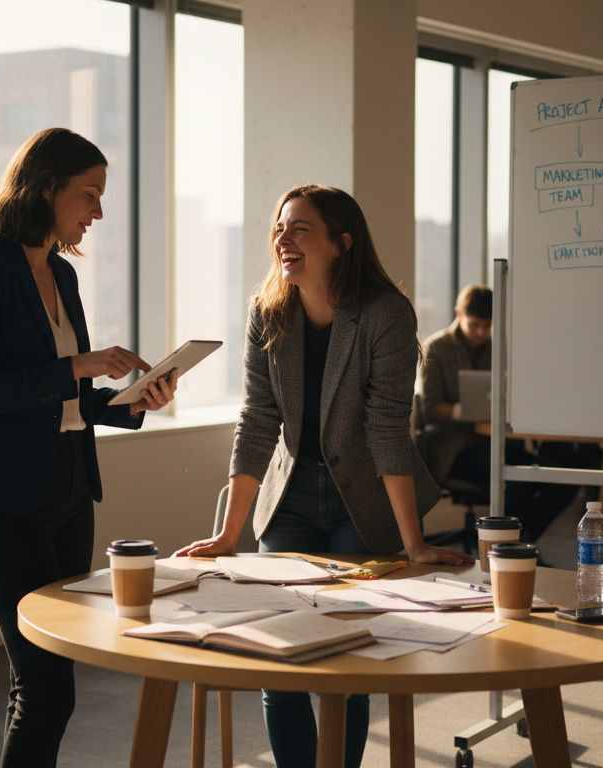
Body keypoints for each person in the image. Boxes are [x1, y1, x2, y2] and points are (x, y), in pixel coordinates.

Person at [176, 184, 471, 768]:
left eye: (300, 229)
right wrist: (230, 535)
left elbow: (389, 429)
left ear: (342, 243)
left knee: (348, 664)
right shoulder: (268, 312)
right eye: (280, 229)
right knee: (281, 658)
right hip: (289, 499)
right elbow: (257, 424)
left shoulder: (385, 314)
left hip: (362, 499)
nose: (283, 240)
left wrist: (414, 543)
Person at [0, 127, 177, 767]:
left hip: (69, 485)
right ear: (47, 188)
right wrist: (78, 366)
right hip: (5, 497)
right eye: (89, 194)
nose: (98, 211)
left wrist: (132, 402)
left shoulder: (62, 275)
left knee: (57, 675)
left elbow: (66, 402)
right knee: (42, 684)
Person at [418, 285, 600, 544]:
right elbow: (430, 408)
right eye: (475, 325)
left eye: (487, 325)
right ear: (459, 313)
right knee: (516, 482)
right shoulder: (436, 348)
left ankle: (524, 539)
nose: (481, 332)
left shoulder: (497, 350)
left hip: (495, 443)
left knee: (560, 478)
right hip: (456, 450)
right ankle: (508, 547)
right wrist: (463, 411)